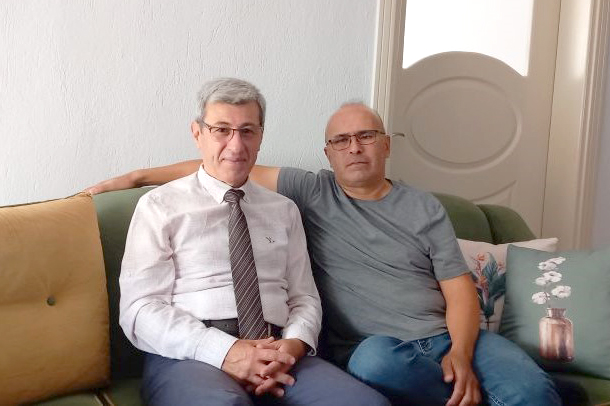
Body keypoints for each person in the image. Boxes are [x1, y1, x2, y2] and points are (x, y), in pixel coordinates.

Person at [94, 99, 561, 406]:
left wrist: (460, 352)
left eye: (366, 136)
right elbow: (228, 162)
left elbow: (459, 291)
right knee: (373, 364)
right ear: (328, 152)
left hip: (443, 336)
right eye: (341, 140)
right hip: (378, 350)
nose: (354, 148)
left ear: (386, 145)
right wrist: (135, 178)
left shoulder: (424, 206)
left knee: (532, 393)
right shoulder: (311, 191)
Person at [118, 78, 390, 406]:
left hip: (278, 351)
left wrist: (294, 344)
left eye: (247, 131)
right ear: (197, 133)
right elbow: (139, 309)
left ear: (260, 136)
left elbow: (304, 296)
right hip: (190, 354)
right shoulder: (159, 206)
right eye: (222, 130)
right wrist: (225, 351)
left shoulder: (284, 210)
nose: (236, 145)